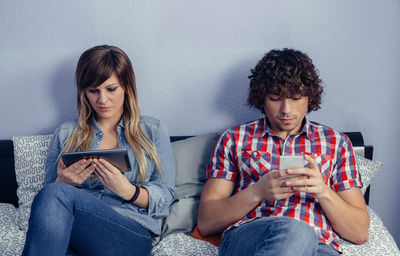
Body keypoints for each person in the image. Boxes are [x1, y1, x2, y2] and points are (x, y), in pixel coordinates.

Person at [197, 48, 369, 255]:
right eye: (276, 98)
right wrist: (257, 192)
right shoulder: (234, 139)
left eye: (295, 97)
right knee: (295, 231)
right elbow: (206, 222)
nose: (286, 109)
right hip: (251, 238)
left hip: (319, 245)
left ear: (309, 98)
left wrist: (323, 191)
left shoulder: (336, 142)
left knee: (305, 236)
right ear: (262, 99)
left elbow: (359, 232)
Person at [22, 45, 176, 256]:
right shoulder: (66, 133)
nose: (102, 100)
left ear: (126, 87)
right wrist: (63, 183)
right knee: (54, 197)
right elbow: (47, 205)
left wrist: (127, 191)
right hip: (78, 232)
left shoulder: (153, 130)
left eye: (110, 89)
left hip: (130, 233)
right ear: (84, 92)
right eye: (93, 90)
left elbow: (166, 195)